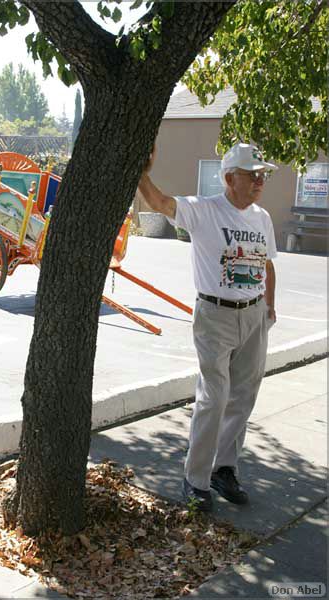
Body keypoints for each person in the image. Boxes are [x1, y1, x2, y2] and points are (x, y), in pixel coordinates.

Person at [138, 142, 278, 511]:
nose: (260, 181)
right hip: (215, 316)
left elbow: (268, 264)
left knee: (243, 397)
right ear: (230, 178)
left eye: (263, 175)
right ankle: (195, 479)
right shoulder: (204, 210)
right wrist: (142, 172)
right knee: (214, 397)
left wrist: (269, 308)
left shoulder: (262, 218)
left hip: (253, 316)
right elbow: (160, 204)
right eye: (253, 175)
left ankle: (224, 470)